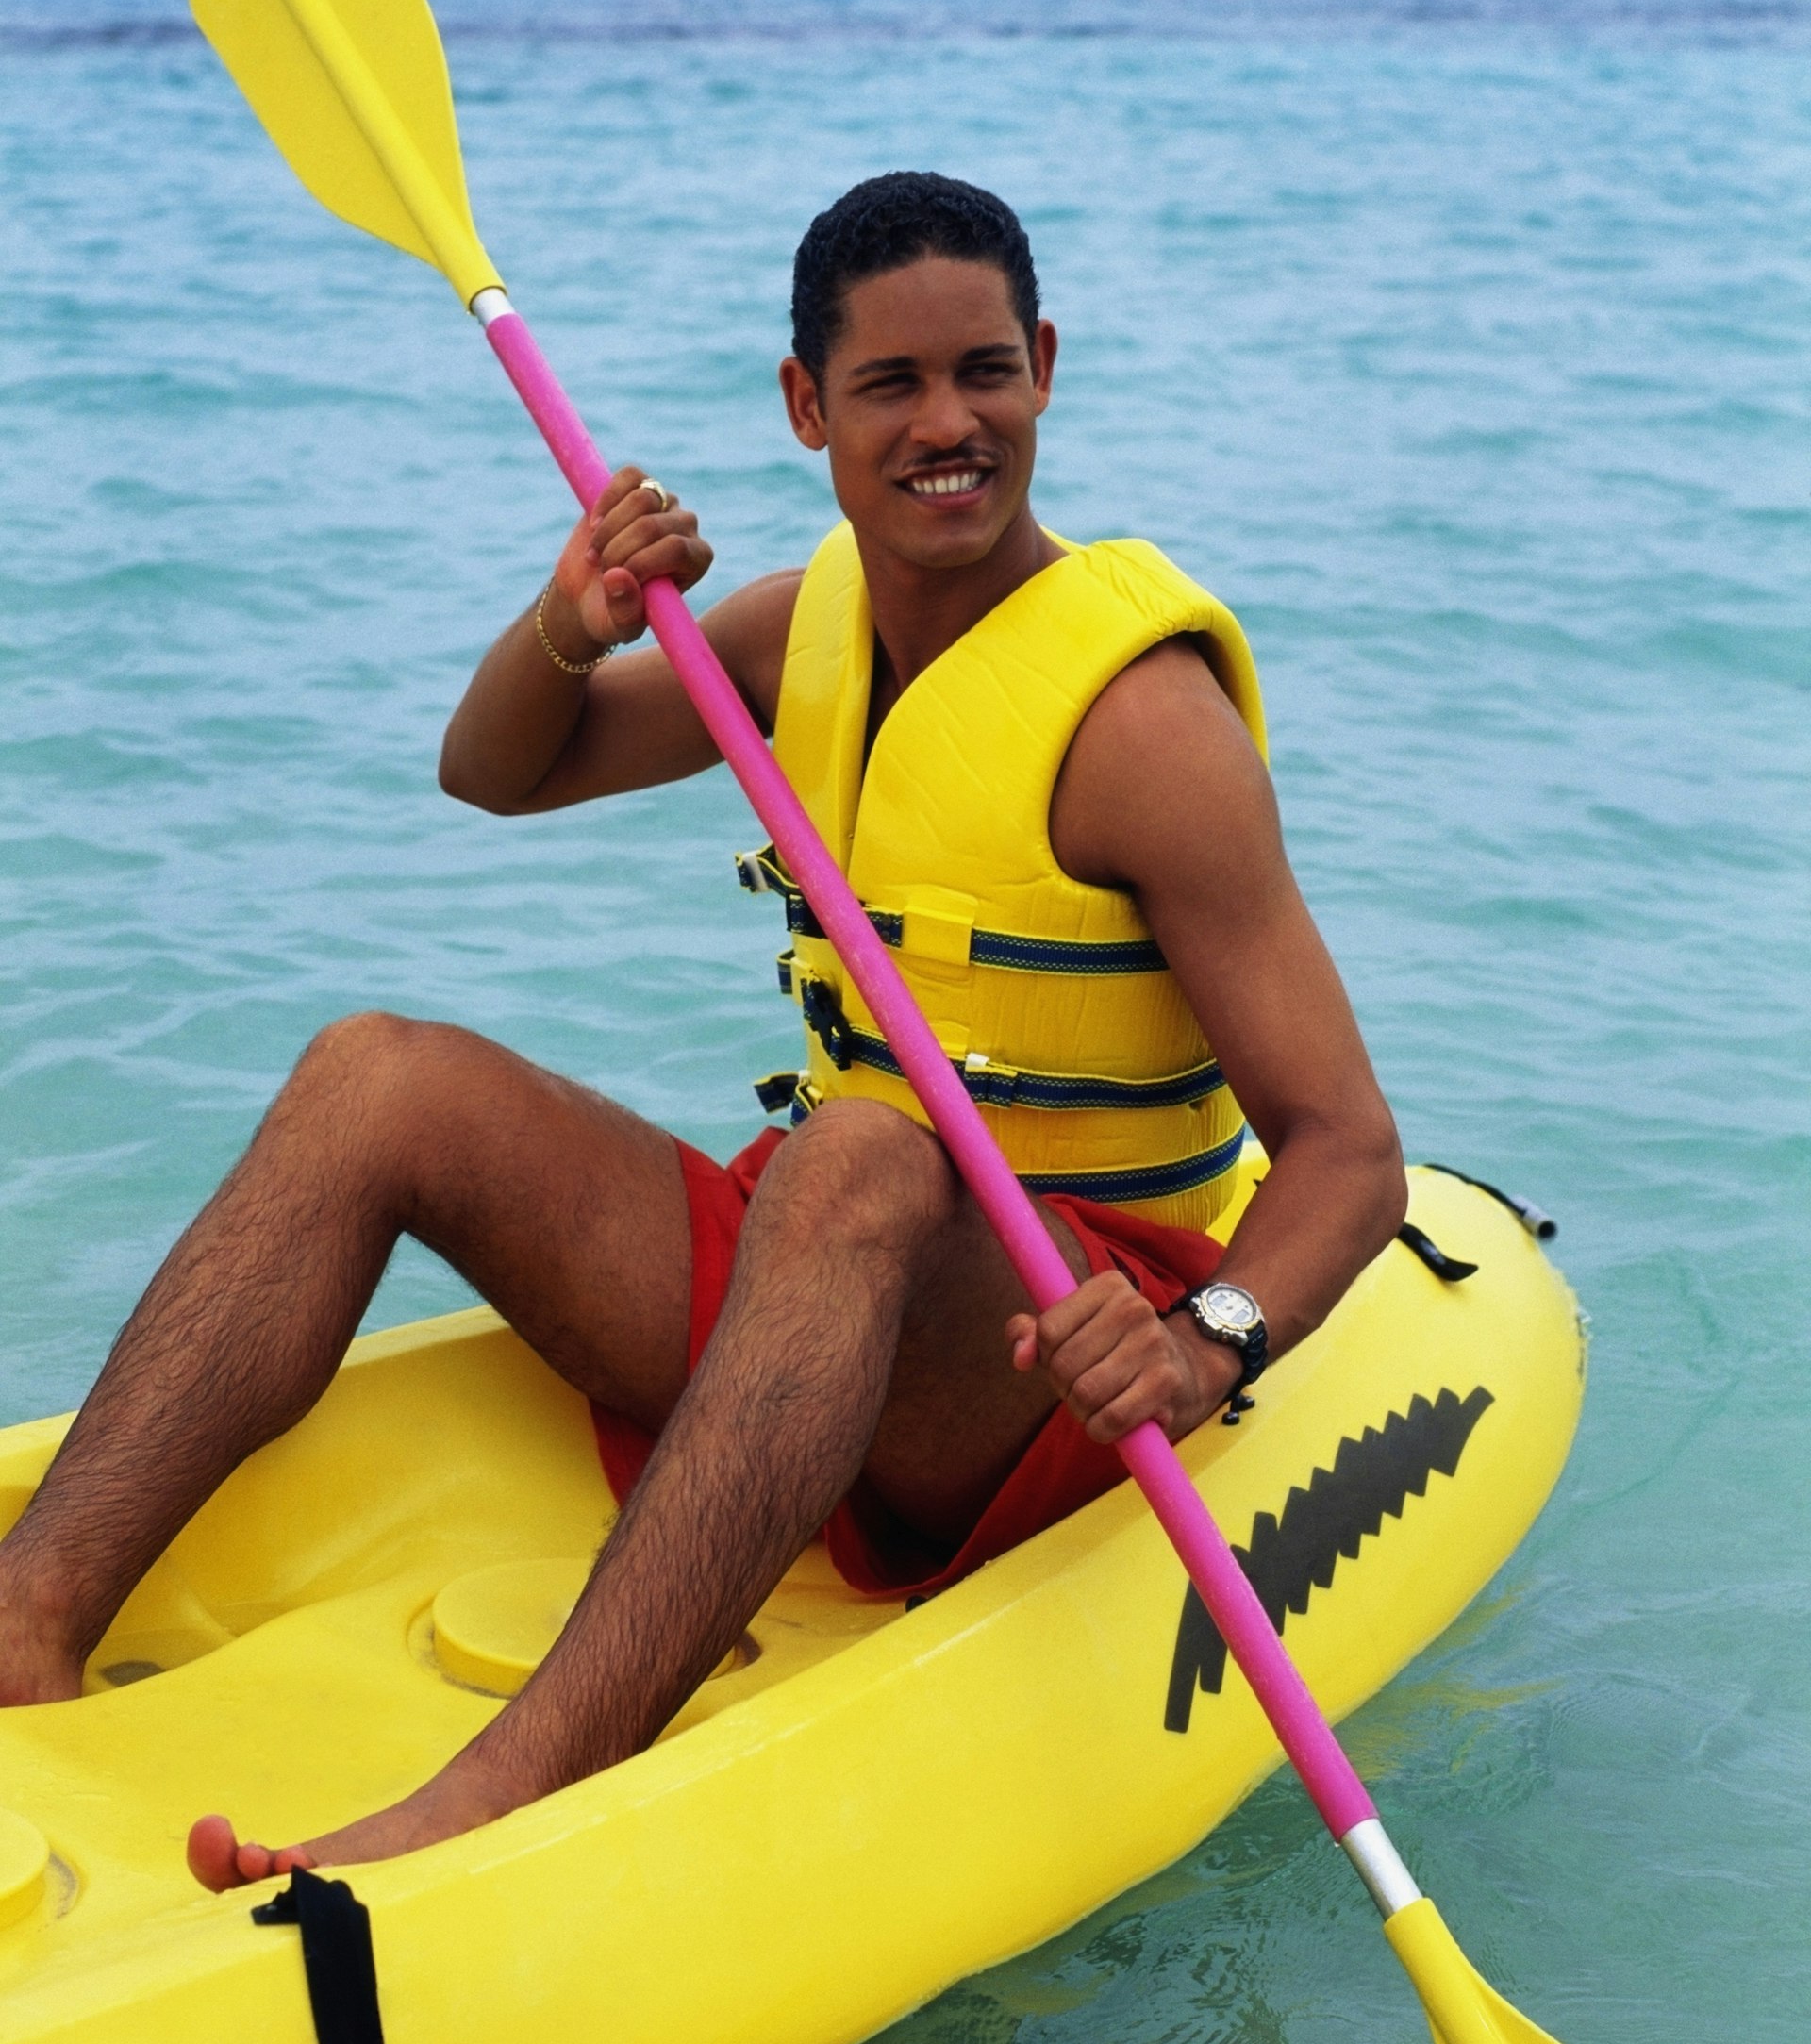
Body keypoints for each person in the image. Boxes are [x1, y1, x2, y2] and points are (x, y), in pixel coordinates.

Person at [0, 172, 1406, 1888]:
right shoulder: (797, 625)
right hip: (846, 1267)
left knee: (860, 1152)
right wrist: (566, 617)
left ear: (1044, 365)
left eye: (985, 370)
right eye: (890, 385)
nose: (947, 423)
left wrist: (1209, 1347)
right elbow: (498, 769)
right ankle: (28, 1621)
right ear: (807, 406)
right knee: (378, 1075)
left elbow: (1349, 1147)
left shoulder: (1147, 726)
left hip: (1052, 1355)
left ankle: (498, 1789)